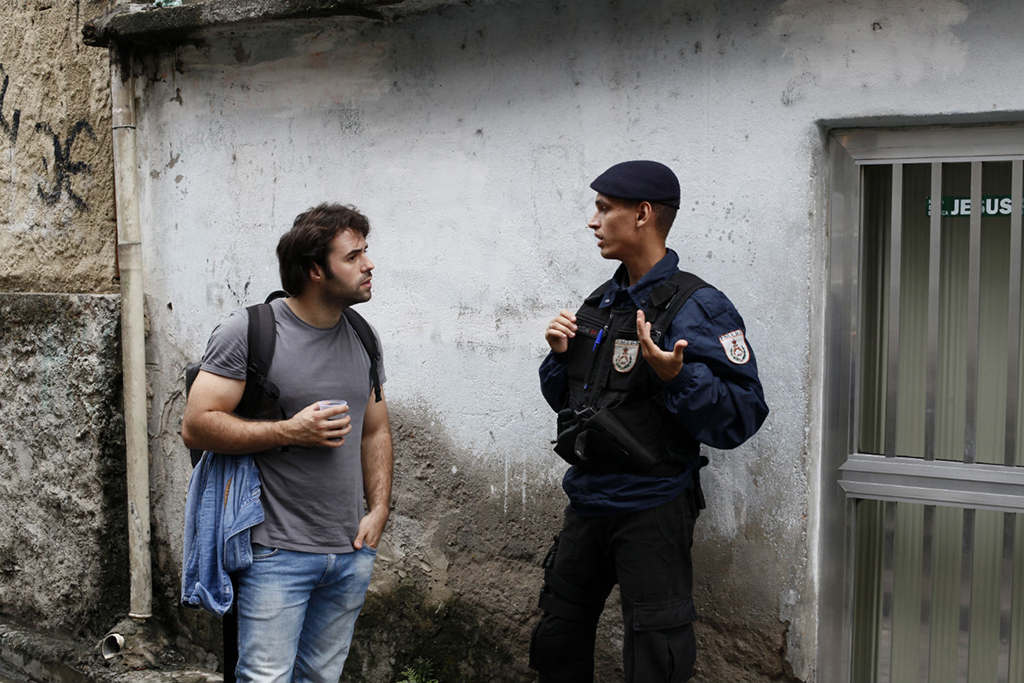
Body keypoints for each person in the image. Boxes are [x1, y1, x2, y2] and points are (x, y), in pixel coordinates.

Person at [529, 161, 769, 683]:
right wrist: (558, 356)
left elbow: (742, 417)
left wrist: (675, 378)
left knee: (656, 657)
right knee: (556, 639)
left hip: (652, 508)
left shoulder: (698, 307)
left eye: (603, 208)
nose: (593, 222)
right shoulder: (601, 301)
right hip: (588, 502)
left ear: (641, 214)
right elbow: (571, 404)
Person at [181, 203, 393, 683]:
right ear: (315, 270)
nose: (369, 264)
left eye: (367, 252)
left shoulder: (363, 335)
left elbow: (375, 428)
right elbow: (196, 425)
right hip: (274, 552)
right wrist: (288, 431)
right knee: (266, 677)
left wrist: (378, 509)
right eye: (354, 255)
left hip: (349, 548)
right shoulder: (249, 332)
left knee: (321, 676)